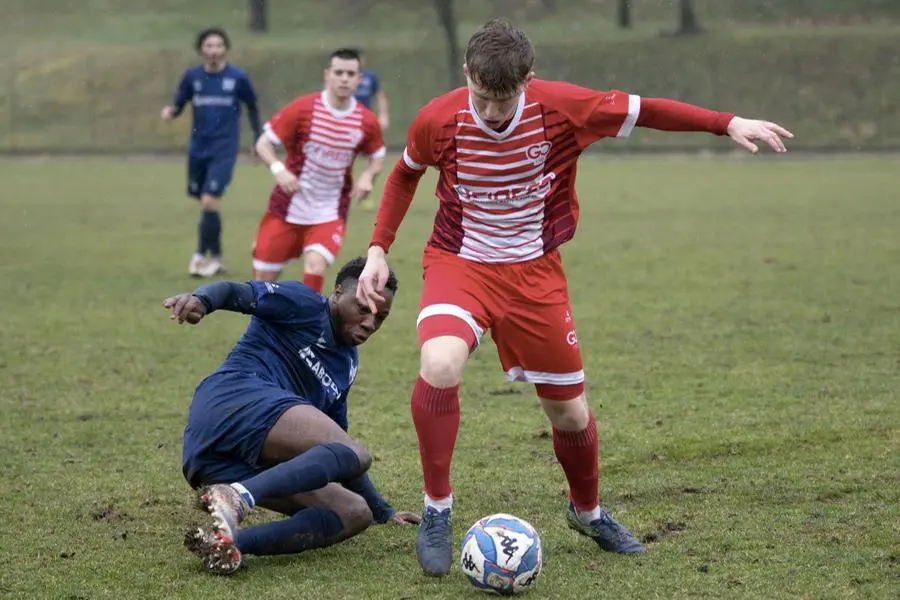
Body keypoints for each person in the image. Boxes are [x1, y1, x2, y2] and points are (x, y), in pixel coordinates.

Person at [354, 17, 795, 577]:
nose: (492, 111)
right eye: (482, 96)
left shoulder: (563, 108)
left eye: (505, 98)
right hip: (458, 263)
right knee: (440, 363)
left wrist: (726, 122)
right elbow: (404, 175)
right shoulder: (438, 118)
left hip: (536, 275)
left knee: (569, 412)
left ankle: (586, 511)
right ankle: (438, 508)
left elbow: (647, 109)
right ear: (466, 74)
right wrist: (377, 248)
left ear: (528, 80)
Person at [163, 257, 419, 575]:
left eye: (381, 317)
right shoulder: (304, 303)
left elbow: (337, 451)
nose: (370, 322)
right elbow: (235, 292)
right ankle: (238, 497)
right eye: (363, 308)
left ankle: (227, 543)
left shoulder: (347, 365)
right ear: (338, 292)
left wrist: (382, 511)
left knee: (354, 512)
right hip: (230, 402)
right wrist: (203, 299)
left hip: (219, 465)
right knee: (356, 452)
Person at [253, 48, 386, 293]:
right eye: (339, 72)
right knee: (263, 278)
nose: (344, 78)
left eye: (350, 73)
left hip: (330, 210)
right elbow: (263, 143)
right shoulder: (303, 109)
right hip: (288, 206)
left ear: (359, 79)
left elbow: (377, 156)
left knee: (315, 265)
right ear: (327, 74)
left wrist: (368, 176)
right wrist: (278, 169)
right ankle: (262, 329)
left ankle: (309, 326)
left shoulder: (366, 121)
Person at [161, 27, 262, 278]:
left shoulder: (237, 78)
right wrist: (171, 111)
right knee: (206, 204)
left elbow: (252, 107)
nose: (214, 50)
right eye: (209, 46)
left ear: (225, 48)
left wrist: (258, 139)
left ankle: (199, 257)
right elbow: (180, 101)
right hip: (198, 149)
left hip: (224, 148)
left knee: (209, 201)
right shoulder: (192, 77)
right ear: (201, 49)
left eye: (218, 45)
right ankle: (217, 258)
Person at [353, 49, 390, 132]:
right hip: (348, 117)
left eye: (360, 59)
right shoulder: (344, 77)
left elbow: (380, 96)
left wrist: (383, 115)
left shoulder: (370, 77)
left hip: (366, 117)